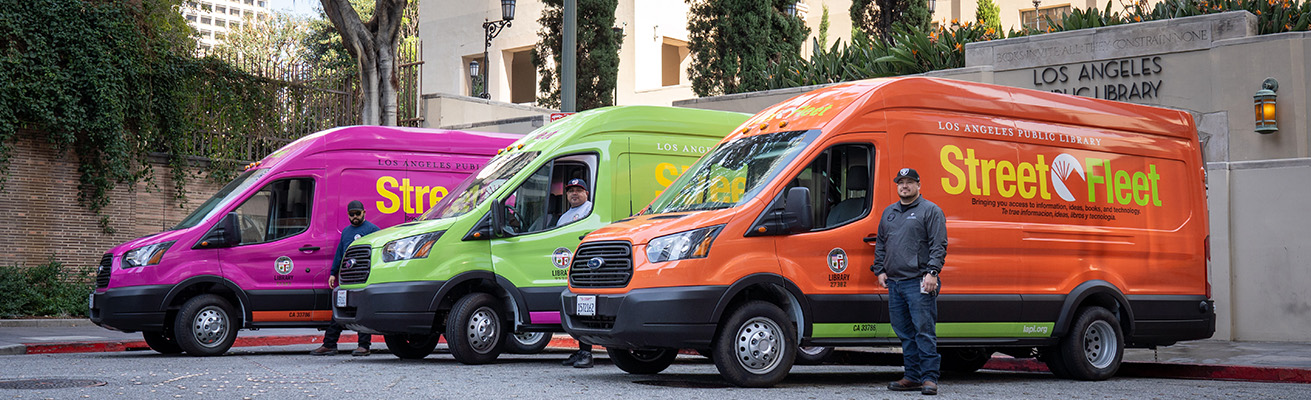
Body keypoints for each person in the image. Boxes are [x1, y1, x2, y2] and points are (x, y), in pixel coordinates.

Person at [871, 168, 948, 395]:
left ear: (918, 185)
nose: (904, 186)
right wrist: (880, 270)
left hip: (919, 282)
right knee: (904, 332)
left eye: (909, 182)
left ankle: (929, 378)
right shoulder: (889, 212)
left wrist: (932, 272)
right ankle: (912, 376)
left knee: (924, 331)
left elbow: (938, 244)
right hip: (895, 283)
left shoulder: (931, 210)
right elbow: (881, 243)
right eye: (901, 182)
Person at [311, 200, 381, 356]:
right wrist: (333, 273)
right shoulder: (346, 232)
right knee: (340, 308)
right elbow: (340, 254)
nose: (355, 217)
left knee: (362, 310)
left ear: (364, 212)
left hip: (364, 277)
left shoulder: (373, 230)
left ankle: (364, 346)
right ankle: (329, 344)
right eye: (351, 214)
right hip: (347, 277)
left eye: (357, 213)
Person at [558, 178, 594, 368]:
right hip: (569, 269)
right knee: (574, 311)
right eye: (571, 190)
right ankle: (581, 351)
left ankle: (586, 354)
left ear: (586, 193)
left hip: (584, 268)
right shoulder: (564, 217)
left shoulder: (590, 210)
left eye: (578, 190)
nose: (574, 193)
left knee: (584, 309)